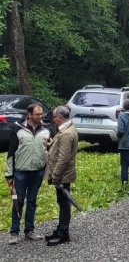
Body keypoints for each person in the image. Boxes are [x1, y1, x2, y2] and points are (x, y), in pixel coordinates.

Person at [6, 102, 50, 245]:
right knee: (18, 201)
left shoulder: (47, 130)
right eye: (37, 114)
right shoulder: (18, 129)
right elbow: (11, 153)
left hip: (37, 172)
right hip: (20, 173)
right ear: (29, 115)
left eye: (41, 114)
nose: (40, 116)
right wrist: (9, 175)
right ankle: (14, 232)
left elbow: (50, 151)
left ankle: (29, 231)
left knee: (32, 202)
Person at [44, 106, 78, 246]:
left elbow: (64, 158)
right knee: (62, 202)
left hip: (63, 174)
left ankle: (63, 233)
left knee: (64, 204)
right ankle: (60, 229)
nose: (53, 120)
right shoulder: (67, 128)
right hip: (62, 173)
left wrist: (56, 175)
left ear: (59, 118)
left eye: (54, 117)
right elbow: (60, 148)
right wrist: (50, 144)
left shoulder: (66, 133)